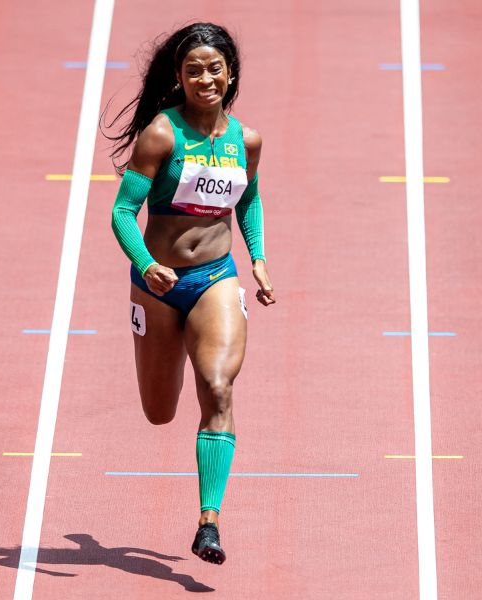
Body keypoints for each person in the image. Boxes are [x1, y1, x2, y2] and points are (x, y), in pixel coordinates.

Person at [106, 22, 276, 565]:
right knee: (159, 412)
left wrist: (260, 260)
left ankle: (209, 523)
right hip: (157, 285)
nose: (205, 78)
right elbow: (122, 211)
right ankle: (166, 346)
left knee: (218, 387)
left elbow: (248, 201)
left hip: (215, 279)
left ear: (231, 75)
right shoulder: (162, 134)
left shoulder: (245, 140)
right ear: (179, 78)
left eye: (214, 68)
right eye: (193, 70)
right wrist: (146, 263)